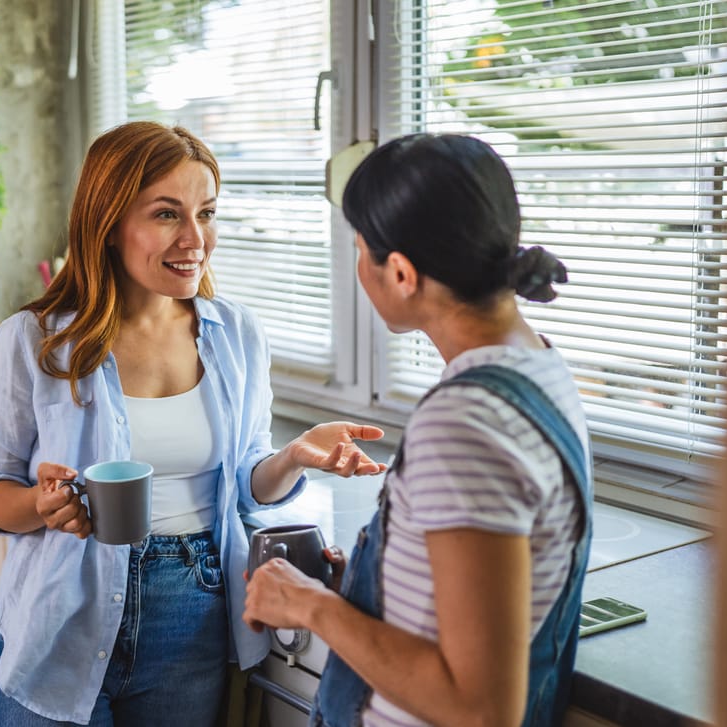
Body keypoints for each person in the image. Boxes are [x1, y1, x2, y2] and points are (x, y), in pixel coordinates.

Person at [0, 120, 387, 727]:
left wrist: (294, 455)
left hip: (193, 617)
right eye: (167, 214)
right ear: (108, 224)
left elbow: (243, 483)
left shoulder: (236, 334)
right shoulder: (35, 342)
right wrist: (41, 502)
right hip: (59, 617)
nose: (196, 238)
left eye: (207, 213)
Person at [243, 133, 593, 727]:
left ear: (401, 273)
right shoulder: (538, 367)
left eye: (360, 247)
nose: (357, 264)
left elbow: (480, 708)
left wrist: (313, 607)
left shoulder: (464, 424)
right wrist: (364, 587)